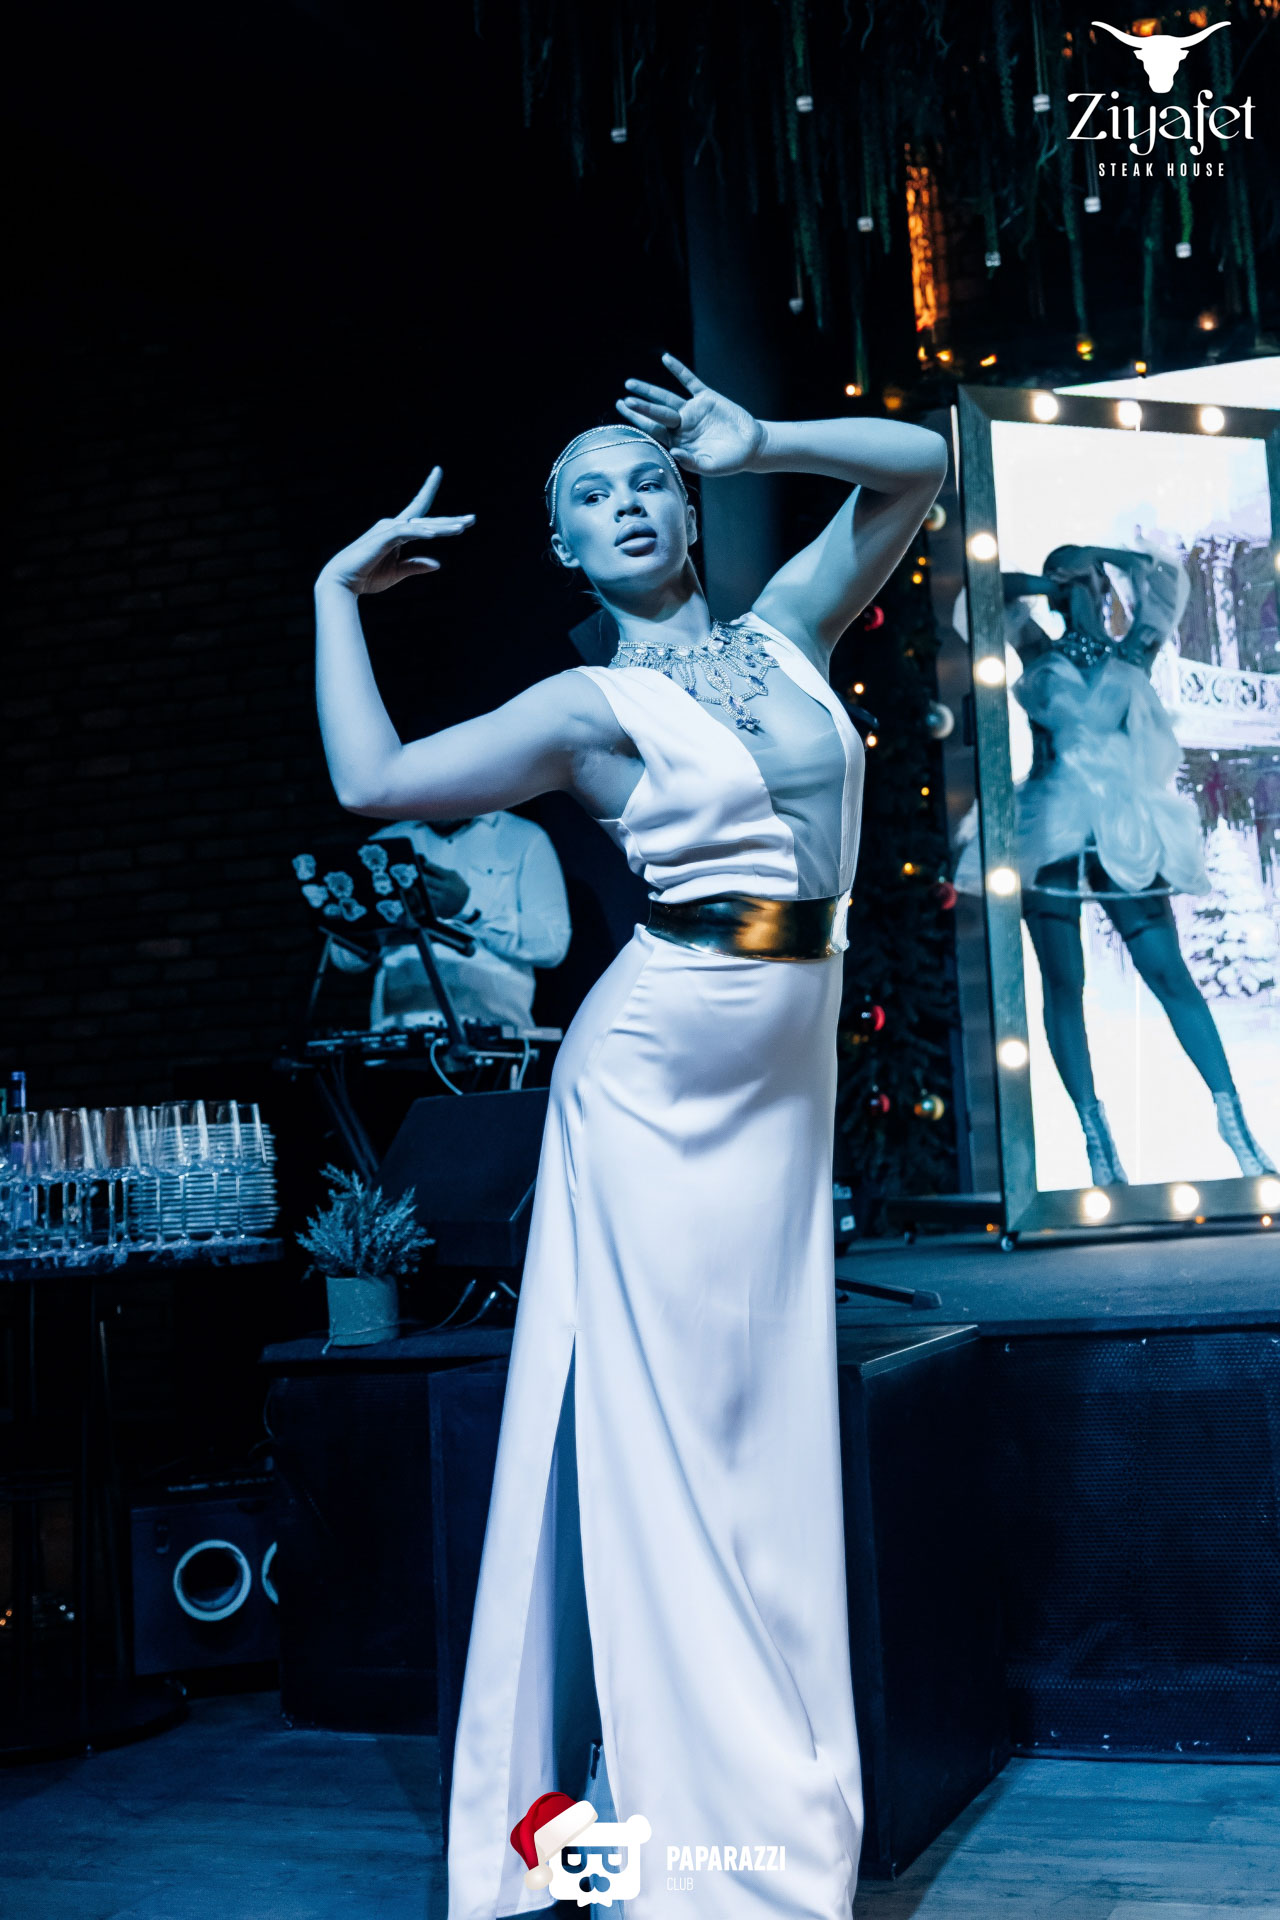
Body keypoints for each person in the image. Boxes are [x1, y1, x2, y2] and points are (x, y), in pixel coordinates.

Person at [313, 351, 948, 1920]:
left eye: (648, 479)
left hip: (782, 1073)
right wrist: (336, 592)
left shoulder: (789, 628)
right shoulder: (582, 707)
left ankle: (728, 1785)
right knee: (668, 1439)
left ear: (688, 503)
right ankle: (690, 1814)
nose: (629, 505)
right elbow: (373, 783)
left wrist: (762, 437)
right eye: (591, 497)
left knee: (761, 1429)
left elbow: (922, 466)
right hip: (658, 1073)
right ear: (568, 550)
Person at [1003, 545, 1275, 1182]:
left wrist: (1099, 556)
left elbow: (1167, 580)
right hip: (1049, 827)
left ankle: (1235, 1124)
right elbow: (982, 589)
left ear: (1103, 586)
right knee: (1063, 984)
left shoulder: (1134, 651)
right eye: (1064, 579)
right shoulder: (1037, 651)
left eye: (1085, 579)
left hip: (1122, 830)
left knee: (1168, 973)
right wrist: (1050, 578)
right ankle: (1097, 1143)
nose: (1076, 586)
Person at [328, 813, 571, 1032]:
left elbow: (553, 944)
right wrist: (380, 924)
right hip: (398, 1035)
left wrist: (468, 906)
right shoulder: (384, 842)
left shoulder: (525, 838)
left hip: (492, 1037)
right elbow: (343, 958)